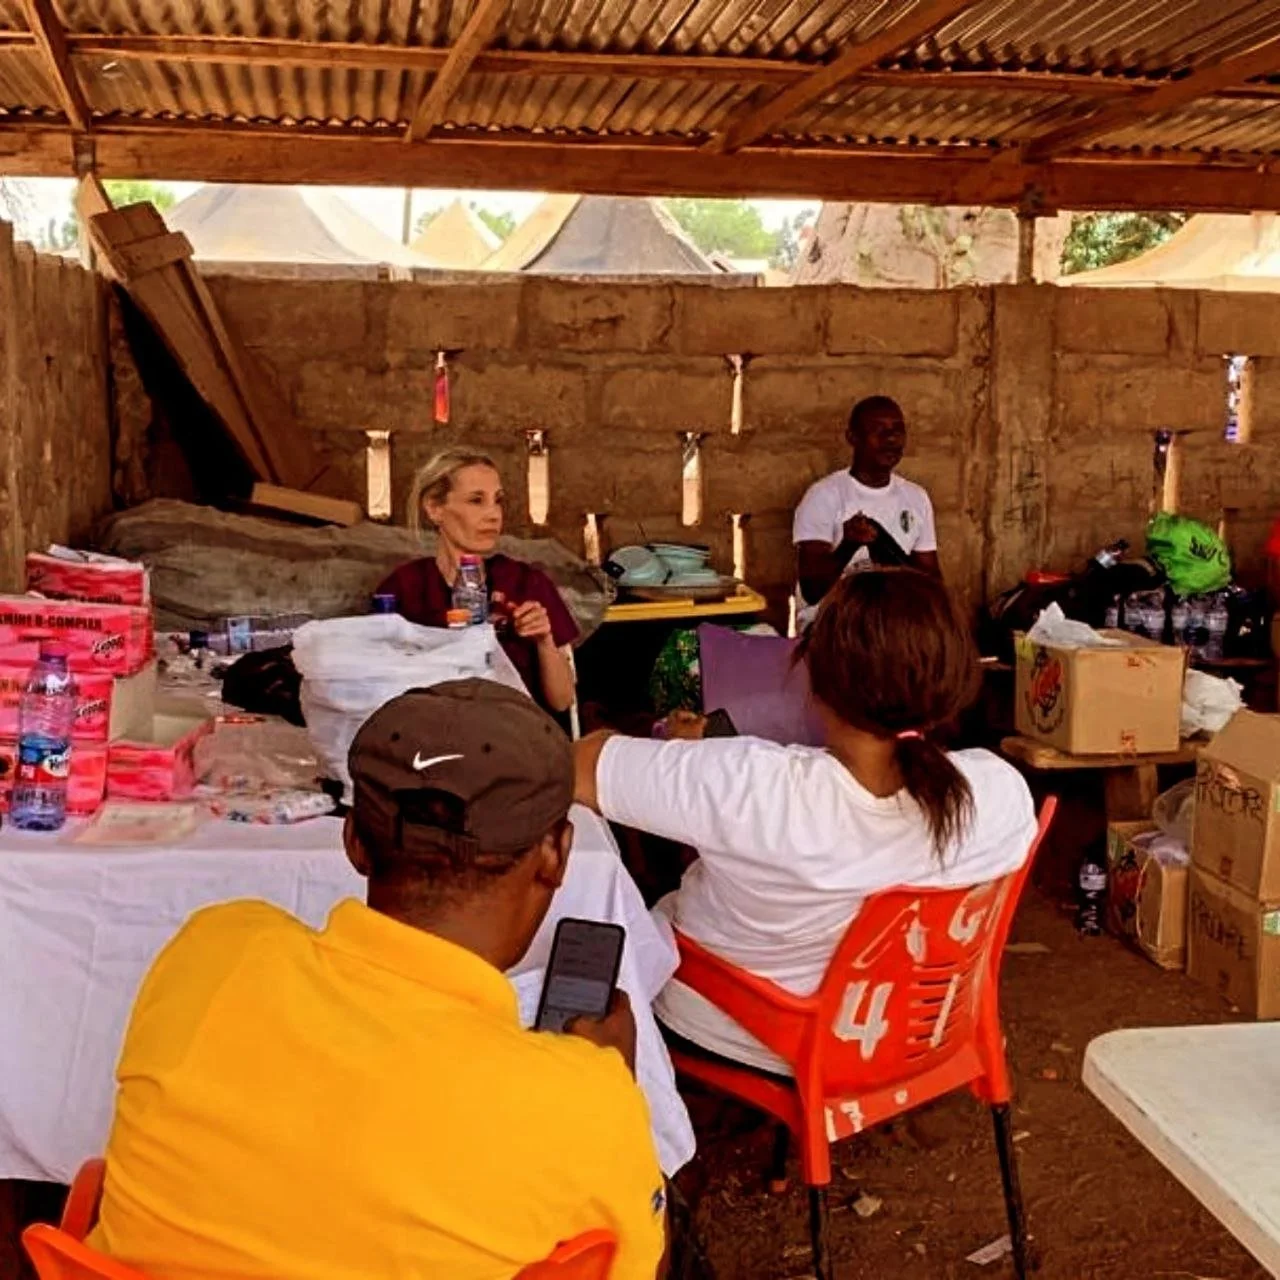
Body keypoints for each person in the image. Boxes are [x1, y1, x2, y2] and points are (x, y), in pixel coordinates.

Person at [91, 681, 668, 1280]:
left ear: (354, 842)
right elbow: (640, 1266)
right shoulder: (583, 1101)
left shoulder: (213, 949)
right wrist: (615, 1084)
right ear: (556, 854)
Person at [574, 569, 1037, 1075]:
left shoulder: (750, 783)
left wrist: (683, 760)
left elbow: (580, 766)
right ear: (956, 679)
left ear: (815, 677)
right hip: (922, 1029)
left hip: (760, 1029)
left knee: (605, 927)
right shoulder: (1001, 791)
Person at [378, 448, 578, 713]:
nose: (494, 514)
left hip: (517, 735)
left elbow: (563, 701)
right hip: (432, 736)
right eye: (476, 501)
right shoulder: (405, 588)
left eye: (498, 501)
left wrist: (544, 640)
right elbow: (380, 691)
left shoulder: (526, 584)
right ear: (435, 508)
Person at [793, 395, 940, 626]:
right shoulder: (824, 496)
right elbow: (812, 590)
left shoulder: (916, 498)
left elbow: (932, 585)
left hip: (894, 627)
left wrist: (883, 547)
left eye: (897, 430)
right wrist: (848, 545)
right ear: (852, 438)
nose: (890, 438)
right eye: (878, 430)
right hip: (834, 627)